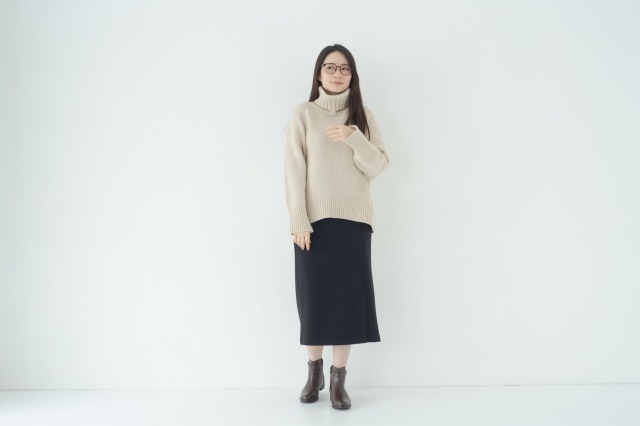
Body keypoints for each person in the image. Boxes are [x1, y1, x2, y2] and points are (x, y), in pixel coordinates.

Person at [284, 44, 390, 410]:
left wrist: (353, 136)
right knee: (314, 299)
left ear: (352, 75)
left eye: (344, 68)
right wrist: (298, 220)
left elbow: (377, 166)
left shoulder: (362, 115)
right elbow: (294, 170)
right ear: (318, 73)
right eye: (330, 67)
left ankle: (338, 378)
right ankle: (313, 372)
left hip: (354, 222)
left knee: (345, 301)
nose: (337, 74)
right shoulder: (304, 113)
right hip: (313, 224)